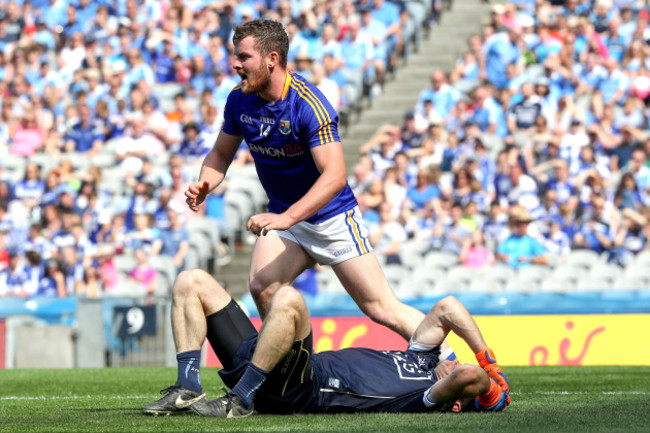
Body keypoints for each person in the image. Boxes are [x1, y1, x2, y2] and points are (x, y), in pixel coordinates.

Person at [184, 19, 425, 341]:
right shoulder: (239, 100)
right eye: (235, 56)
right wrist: (206, 183)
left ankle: (451, 360)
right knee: (262, 287)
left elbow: (336, 176)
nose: (234, 64)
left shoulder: (308, 104)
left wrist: (287, 217)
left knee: (381, 308)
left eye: (243, 57)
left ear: (271, 59)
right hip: (288, 221)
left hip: (331, 218)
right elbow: (219, 155)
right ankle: (297, 376)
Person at [142, 269, 510, 416]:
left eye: (456, 371)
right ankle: (188, 386)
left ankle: (241, 399)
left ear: (455, 403)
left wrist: (485, 384)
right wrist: (488, 360)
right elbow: (448, 308)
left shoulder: (426, 399)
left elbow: (471, 379)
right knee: (192, 281)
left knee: (288, 300)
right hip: (274, 365)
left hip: (302, 388)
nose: (454, 362)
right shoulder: (423, 359)